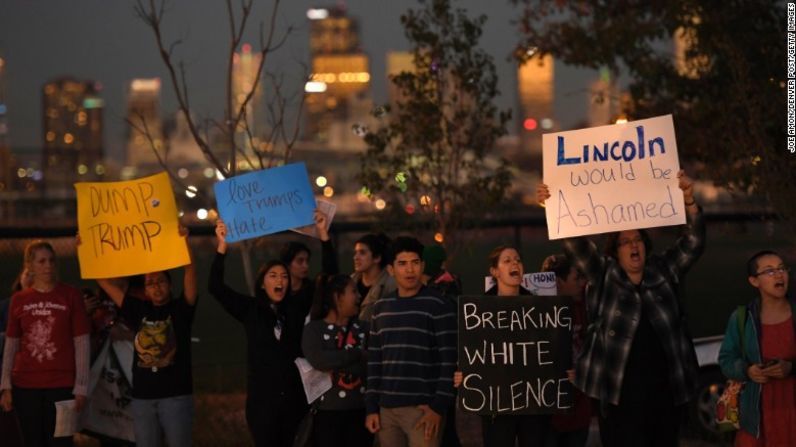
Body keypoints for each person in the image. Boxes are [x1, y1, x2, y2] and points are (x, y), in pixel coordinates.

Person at [536, 170, 705, 447]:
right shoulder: (603, 274)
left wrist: (689, 203)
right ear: (615, 251)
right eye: (625, 242)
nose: (633, 245)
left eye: (638, 239)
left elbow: (693, 244)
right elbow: (576, 245)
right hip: (617, 396)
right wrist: (554, 204)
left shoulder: (664, 269)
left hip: (666, 393)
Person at [209, 219, 307, 447]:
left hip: (294, 401)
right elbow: (215, 287)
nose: (280, 280)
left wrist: (325, 238)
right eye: (273, 276)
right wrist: (222, 246)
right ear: (263, 283)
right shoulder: (251, 310)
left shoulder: (295, 311)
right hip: (262, 403)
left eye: (284, 276)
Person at [96, 227, 197, 447]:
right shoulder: (137, 309)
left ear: (170, 285)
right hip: (143, 398)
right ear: (146, 290)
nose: (156, 287)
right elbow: (103, 282)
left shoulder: (181, 310)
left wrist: (184, 243)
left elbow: (189, 271)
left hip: (176, 397)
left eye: (161, 281)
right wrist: (86, 248)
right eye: (150, 283)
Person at [454, 245, 550, 446]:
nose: (515, 263)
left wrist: (560, 370)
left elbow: (548, 349)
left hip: (531, 403)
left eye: (517, 260)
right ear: (495, 271)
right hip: (496, 406)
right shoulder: (478, 311)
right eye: (507, 261)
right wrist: (463, 372)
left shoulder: (539, 308)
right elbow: (472, 351)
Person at [365, 236, 457, 447]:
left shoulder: (438, 305)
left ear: (423, 266)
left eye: (415, 263)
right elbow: (375, 361)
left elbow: (449, 359)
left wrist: (438, 407)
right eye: (402, 264)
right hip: (386, 410)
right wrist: (371, 407)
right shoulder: (381, 308)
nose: (410, 270)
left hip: (423, 409)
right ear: (390, 269)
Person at [0, 240, 91, 447]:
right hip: (25, 387)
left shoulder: (71, 295)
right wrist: (6, 386)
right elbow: (11, 345)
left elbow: (82, 343)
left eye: (51, 260)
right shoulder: (19, 300)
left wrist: (81, 387)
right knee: (33, 442)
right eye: (41, 261)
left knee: (61, 443)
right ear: (30, 266)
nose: (48, 266)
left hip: (62, 386)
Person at [718, 250, 796, 447]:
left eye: (781, 269)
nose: (779, 275)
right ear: (754, 281)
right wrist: (747, 370)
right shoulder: (742, 318)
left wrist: (791, 368)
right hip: (757, 416)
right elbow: (726, 359)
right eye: (769, 271)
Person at [301, 274, 372, 447]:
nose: (359, 296)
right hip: (327, 416)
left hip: (361, 413)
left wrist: (335, 360)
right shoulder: (314, 330)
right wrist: (356, 354)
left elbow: (371, 365)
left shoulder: (365, 328)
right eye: (353, 291)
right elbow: (319, 361)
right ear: (337, 297)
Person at [540, 254, 590, 447]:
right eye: (576, 278)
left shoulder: (583, 306)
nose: (582, 283)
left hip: (578, 409)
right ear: (559, 282)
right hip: (549, 413)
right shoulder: (537, 313)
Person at [280, 209, 340, 320]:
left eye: (307, 261)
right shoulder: (279, 293)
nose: (305, 265)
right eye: (300, 261)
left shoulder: (312, 291)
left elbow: (330, 271)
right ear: (287, 263)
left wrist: (323, 233)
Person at [353, 233, 395, 322]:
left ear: (377, 257)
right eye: (355, 252)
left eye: (362, 253)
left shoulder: (390, 284)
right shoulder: (351, 281)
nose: (356, 257)